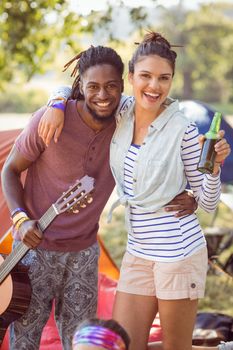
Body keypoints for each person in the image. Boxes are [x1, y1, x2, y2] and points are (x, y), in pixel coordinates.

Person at [38, 36, 231, 350]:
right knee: (121, 344)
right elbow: (75, 87)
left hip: (177, 254)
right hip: (138, 252)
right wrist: (56, 103)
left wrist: (213, 169)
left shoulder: (183, 129)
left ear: (171, 80)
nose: (154, 86)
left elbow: (208, 203)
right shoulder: (122, 112)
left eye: (163, 78)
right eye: (146, 76)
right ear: (130, 78)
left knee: (175, 347)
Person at [1, 45, 196, 350]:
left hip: (85, 253)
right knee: (24, 340)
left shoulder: (126, 120)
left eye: (111, 86)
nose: (102, 95)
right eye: (93, 86)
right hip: (34, 251)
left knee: (84, 342)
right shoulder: (51, 120)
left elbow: (164, 115)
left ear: (123, 85)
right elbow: (10, 170)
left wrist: (195, 193)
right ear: (80, 86)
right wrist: (20, 218)